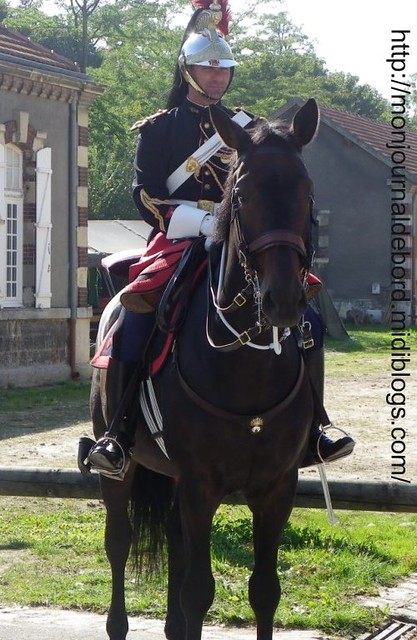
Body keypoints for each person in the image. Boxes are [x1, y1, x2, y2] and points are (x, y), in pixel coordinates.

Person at [87, 0, 355, 479]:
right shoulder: (160, 128)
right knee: (135, 312)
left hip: (243, 239)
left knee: (306, 314)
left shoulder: (248, 126)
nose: (216, 78)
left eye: (223, 70)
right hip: (180, 238)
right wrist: (194, 216)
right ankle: (120, 432)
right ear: (188, 71)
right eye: (207, 70)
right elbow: (144, 193)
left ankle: (318, 424)